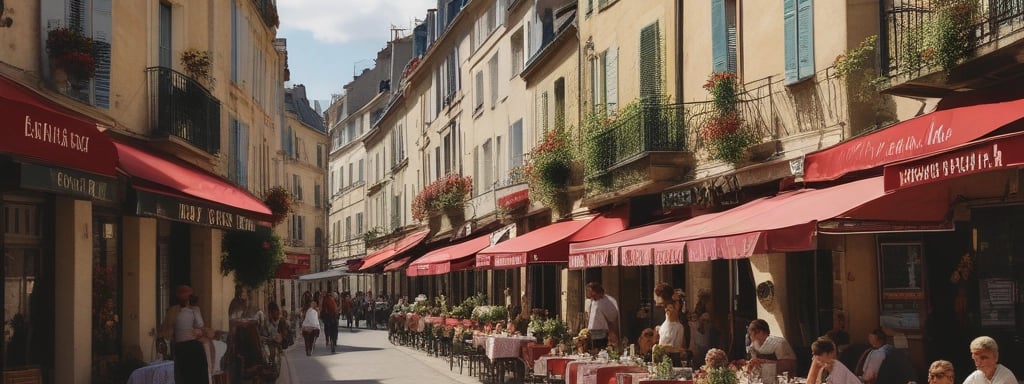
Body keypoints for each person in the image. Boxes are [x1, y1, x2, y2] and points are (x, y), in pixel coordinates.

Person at [161, 285, 209, 384]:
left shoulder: (178, 311)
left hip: (186, 347)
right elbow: (200, 325)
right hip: (187, 347)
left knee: (188, 376)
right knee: (192, 376)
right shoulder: (177, 311)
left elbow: (200, 326)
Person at [653, 283, 687, 366]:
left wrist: (661, 348)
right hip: (661, 361)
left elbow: (680, 349)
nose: (667, 309)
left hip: (671, 362)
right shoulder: (664, 323)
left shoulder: (679, 326)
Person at [586, 282, 619, 351]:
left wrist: (611, 332)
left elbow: (612, 318)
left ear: (597, 291)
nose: (590, 295)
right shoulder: (593, 301)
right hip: (592, 334)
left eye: (591, 292)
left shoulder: (608, 301)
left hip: (602, 334)